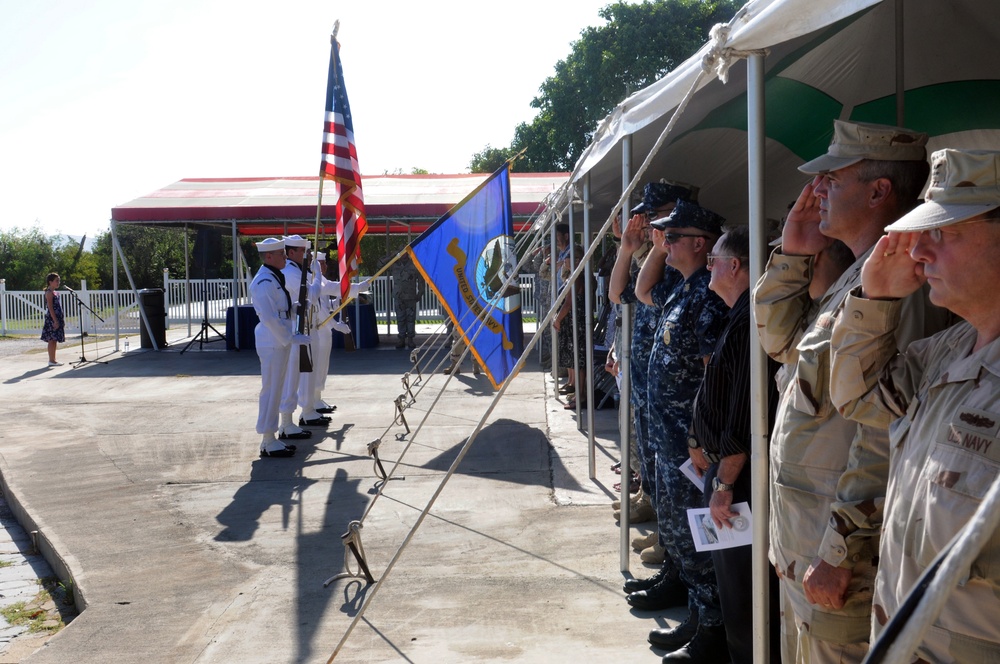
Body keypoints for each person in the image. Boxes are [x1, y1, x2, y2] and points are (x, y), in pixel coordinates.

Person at [753, 120, 951, 663]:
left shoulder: (901, 289)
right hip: (808, 540)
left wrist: (838, 551)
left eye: (830, 180)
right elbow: (781, 345)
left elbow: (888, 425)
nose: (816, 191)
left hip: (840, 552)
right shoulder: (858, 279)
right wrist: (793, 255)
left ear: (879, 190)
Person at [829, 148, 1000, 662]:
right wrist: (875, 300)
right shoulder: (950, 347)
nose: (919, 253)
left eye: (942, 234)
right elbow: (858, 397)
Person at [659, 225, 780, 663]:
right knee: (734, 590)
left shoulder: (751, 318)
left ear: (733, 266)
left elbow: (746, 414)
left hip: (738, 481)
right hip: (728, 475)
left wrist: (724, 484)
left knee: (745, 593)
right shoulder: (741, 315)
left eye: (714, 261)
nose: (709, 268)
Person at [628, 200, 729, 662]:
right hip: (670, 443)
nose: (663, 243)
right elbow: (639, 291)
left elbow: (716, 377)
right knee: (681, 536)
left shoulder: (707, 300)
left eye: (671, 237)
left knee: (699, 539)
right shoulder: (686, 290)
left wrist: (700, 439)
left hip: (693, 451)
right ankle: (699, 616)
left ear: (699, 244)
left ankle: (713, 630)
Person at [609, 182, 697, 540]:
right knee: (648, 452)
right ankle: (655, 511)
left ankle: (670, 538)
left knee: (673, 467)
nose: (647, 223)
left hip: (677, 389)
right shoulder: (656, 255)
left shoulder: (681, 259)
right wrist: (626, 249)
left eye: (654, 215)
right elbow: (619, 294)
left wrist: (656, 247)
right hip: (648, 375)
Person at [249, 238, 309, 458]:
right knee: (272, 389)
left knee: (277, 388)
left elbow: (280, 310)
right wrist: (290, 338)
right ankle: (267, 439)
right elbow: (269, 317)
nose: (285, 257)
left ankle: (271, 437)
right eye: (281, 254)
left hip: (277, 338)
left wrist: (295, 307)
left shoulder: (274, 277)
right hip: (272, 339)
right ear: (268, 257)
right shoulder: (264, 281)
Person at [296, 251, 358, 418]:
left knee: (322, 367)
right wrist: (336, 325)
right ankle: (313, 402)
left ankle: (317, 399)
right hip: (319, 329)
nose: (324, 266)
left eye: (324, 263)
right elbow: (321, 309)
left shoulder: (320, 280)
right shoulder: (315, 281)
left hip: (324, 331)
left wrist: (337, 301)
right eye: (321, 263)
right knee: (317, 368)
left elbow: (329, 298)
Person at [278, 235, 319, 438]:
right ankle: (285, 423)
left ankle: (288, 423)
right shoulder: (292, 274)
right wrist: (317, 274)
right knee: (290, 379)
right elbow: (313, 294)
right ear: (291, 252)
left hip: (300, 327)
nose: (306, 255)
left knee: (294, 378)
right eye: (303, 252)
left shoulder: (297, 271)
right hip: (293, 329)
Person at [390, 253, 423, 349]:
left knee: (411, 319)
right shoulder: (394, 264)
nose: (403, 254)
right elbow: (380, 264)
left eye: (405, 252)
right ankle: (401, 339)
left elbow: (421, 280)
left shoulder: (414, 264)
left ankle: (410, 339)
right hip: (398, 296)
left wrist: (420, 293)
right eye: (401, 252)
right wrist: (393, 255)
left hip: (410, 296)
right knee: (400, 318)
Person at [40, 272, 66, 367]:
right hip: (52, 319)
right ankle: (51, 360)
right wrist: (55, 320)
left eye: (59, 280)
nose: (58, 282)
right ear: (50, 282)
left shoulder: (56, 293)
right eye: (56, 281)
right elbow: (50, 308)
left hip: (57, 318)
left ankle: (54, 359)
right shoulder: (49, 293)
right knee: (51, 339)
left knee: (55, 339)